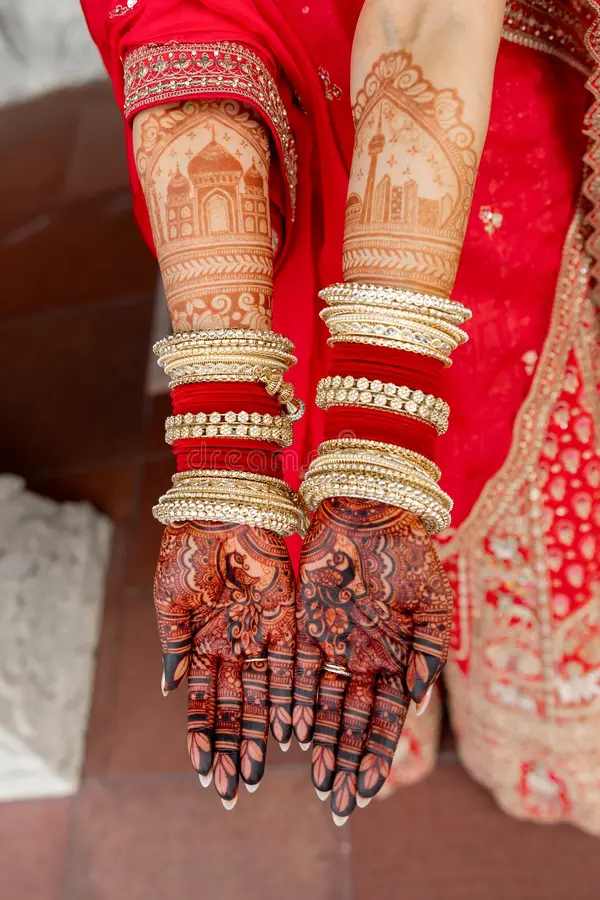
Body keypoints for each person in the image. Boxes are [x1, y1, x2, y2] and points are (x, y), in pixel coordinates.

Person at [80, 0, 600, 831]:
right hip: (288, 170)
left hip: (493, 120)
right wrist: (227, 437)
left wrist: (364, 422)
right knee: (312, 503)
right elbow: (181, 36)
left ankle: (525, 725)